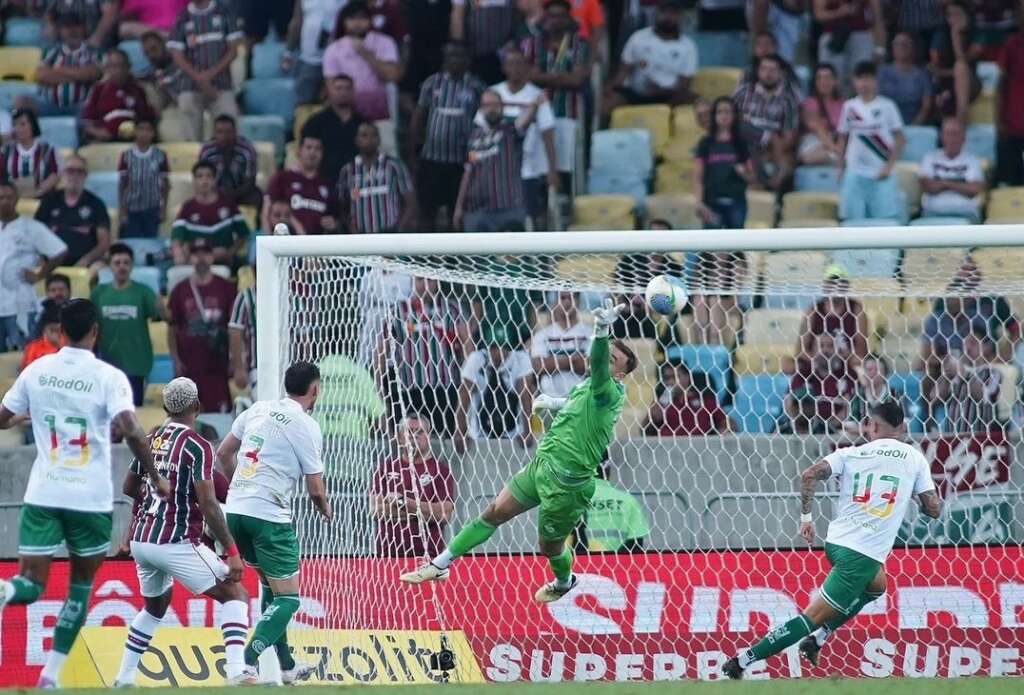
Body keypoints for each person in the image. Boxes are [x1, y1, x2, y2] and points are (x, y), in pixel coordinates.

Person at [400, 301, 637, 604]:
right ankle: (440, 564)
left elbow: (599, 363)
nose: (602, 359)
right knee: (493, 513)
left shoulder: (609, 391)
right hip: (543, 465)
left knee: (549, 548)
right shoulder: (588, 387)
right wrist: (551, 402)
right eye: (608, 353)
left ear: (620, 373)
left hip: (568, 484)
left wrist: (601, 331)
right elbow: (576, 403)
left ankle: (565, 580)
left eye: (613, 358)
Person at [0, 299, 168, 688]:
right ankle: (50, 676)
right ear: (96, 332)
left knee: (31, 584)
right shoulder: (109, 377)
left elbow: (3, 418)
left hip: (43, 493)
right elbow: (129, 426)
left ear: (59, 330)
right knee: (80, 586)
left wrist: (32, 414)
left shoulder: (36, 370)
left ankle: (7, 589)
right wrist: (155, 475)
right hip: (90, 498)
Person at [722, 400, 942, 679]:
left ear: (872, 425)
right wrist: (912, 493)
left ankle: (819, 639)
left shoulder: (850, 453)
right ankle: (742, 662)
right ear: (903, 427)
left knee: (877, 586)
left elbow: (809, 475)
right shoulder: (914, 458)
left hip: (838, 542)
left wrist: (806, 519)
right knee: (812, 616)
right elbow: (934, 509)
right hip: (861, 553)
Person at [113, 377, 251, 686]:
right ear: (197, 407)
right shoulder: (197, 445)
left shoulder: (150, 438)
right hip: (175, 540)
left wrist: (156, 504)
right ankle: (237, 672)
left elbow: (128, 487)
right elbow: (209, 504)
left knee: (155, 607)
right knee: (235, 594)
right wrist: (232, 552)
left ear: (164, 408)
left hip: (142, 540)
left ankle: (123, 679)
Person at [216, 361, 332, 684]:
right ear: (315, 390)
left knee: (270, 586)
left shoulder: (258, 409)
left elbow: (223, 454)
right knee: (290, 598)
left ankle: (287, 666)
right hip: (269, 517)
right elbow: (316, 488)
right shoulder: (307, 426)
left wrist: (238, 490)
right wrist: (326, 510)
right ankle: (246, 663)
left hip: (236, 512)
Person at [692, 97, 752, 345]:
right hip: (713, 203)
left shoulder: (740, 144)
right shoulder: (706, 144)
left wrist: (744, 172)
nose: (724, 116)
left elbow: (752, 175)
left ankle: (733, 292)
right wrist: (698, 202)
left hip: (736, 203)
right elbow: (698, 176)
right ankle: (715, 286)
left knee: (732, 250)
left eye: (728, 112)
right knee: (714, 252)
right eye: (720, 112)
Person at [383, 276, 473, 437]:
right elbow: (380, 351)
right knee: (411, 445)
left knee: (443, 443)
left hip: (444, 390)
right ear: (411, 281)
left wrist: (467, 379)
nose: (425, 285)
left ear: (438, 282)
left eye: (430, 280)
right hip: (410, 390)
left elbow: (468, 344)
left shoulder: (451, 309)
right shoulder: (398, 310)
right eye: (419, 280)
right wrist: (380, 391)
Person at [411, 42, 485, 232]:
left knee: (456, 216)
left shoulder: (476, 86)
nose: (455, 60)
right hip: (432, 161)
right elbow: (419, 117)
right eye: (451, 56)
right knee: (427, 214)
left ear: (467, 60)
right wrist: (415, 153)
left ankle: (454, 261)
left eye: (460, 56)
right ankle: (425, 259)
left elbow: (482, 122)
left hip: (460, 163)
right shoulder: (431, 83)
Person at [492, 46, 560, 230]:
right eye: (510, 64)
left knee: (529, 218)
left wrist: (552, 169)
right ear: (503, 67)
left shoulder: (538, 96)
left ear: (527, 67)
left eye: (519, 64)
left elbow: (548, 133)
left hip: (528, 167)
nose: (515, 68)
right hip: (497, 168)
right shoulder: (493, 94)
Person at [455, 89, 542, 232]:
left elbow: (524, 122)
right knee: (477, 254)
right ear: (481, 109)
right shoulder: (473, 137)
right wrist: (459, 207)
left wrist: (535, 105)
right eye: (487, 105)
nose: (491, 109)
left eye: (495, 105)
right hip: (477, 211)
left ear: (502, 107)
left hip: (508, 208)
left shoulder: (510, 131)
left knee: (513, 253)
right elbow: (468, 173)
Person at [92, 243, 168, 406]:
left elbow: (162, 317)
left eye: (126, 263)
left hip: (137, 363)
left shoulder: (144, 291)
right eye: (117, 263)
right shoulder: (99, 293)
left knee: (135, 410)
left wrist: (162, 308)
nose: (122, 267)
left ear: (132, 265)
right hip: (107, 363)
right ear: (110, 266)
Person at [369, 414, 455, 557]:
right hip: (388, 556)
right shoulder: (385, 469)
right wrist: (425, 512)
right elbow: (377, 510)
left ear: (428, 436)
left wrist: (401, 501)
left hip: (428, 556)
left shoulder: (441, 471)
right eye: (409, 431)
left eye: (420, 432)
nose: (414, 436)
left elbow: (444, 514)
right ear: (400, 437)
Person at [167, 238, 237, 413]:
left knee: (219, 414)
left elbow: (235, 327)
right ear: (190, 258)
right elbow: (172, 327)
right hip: (189, 364)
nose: (201, 258)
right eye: (196, 254)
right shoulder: (180, 290)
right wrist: (176, 359)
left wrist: (235, 358)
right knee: (188, 414)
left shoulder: (226, 288)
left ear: (212, 257)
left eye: (205, 254)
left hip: (217, 365)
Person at [0, 181, 67, 352]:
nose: (5, 201)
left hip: (20, 304)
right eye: (1, 198)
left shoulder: (31, 227)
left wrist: (40, 275)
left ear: (17, 199)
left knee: (22, 354)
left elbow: (60, 251)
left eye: (9, 197)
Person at [837, 61, 906, 222]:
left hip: (881, 172)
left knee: (884, 221)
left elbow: (900, 139)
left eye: (868, 79)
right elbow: (843, 139)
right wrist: (841, 167)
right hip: (855, 171)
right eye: (860, 79)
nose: (864, 83)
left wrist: (889, 167)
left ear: (876, 81)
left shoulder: (887, 106)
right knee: (852, 219)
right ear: (855, 82)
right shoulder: (849, 107)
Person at [603, 0, 698, 115]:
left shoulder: (688, 46)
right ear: (656, 14)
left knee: (694, 101)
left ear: (680, 17)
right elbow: (623, 71)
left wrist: (662, 90)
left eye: (673, 13)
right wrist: (610, 88)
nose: (668, 17)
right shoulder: (638, 37)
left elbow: (684, 84)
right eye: (664, 12)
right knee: (608, 102)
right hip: (636, 93)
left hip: (669, 95)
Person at [168, 0, 243, 142]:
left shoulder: (224, 12)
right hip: (190, 85)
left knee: (230, 122)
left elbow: (233, 50)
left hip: (221, 84)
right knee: (186, 106)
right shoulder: (182, 17)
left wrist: (210, 74)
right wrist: (200, 78)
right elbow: (177, 56)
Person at [458, 323, 536, 446]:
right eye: (493, 347)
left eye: (502, 347)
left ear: (508, 347)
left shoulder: (521, 359)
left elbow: (525, 392)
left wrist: (527, 431)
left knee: (527, 390)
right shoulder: (477, 358)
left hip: (513, 431)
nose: (497, 352)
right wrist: (460, 432)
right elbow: (464, 391)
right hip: (480, 432)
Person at [321, 1, 400, 121]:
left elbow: (392, 75)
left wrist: (366, 54)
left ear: (370, 20)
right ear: (344, 22)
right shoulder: (333, 50)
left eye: (362, 18)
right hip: (346, 115)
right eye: (352, 19)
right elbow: (332, 87)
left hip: (380, 112)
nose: (357, 23)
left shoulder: (385, 43)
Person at [732, 54, 799, 191]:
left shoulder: (788, 100)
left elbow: (789, 137)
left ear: (781, 73)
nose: (767, 74)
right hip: (742, 142)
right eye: (764, 69)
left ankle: (768, 191)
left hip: (773, 149)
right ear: (758, 72)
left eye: (773, 70)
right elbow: (729, 122)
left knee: (785, 162)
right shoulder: (742, 92)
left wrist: (768, 150)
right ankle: (763, 183)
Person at [34, 154, 111, 270]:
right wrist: (41, 259)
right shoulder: (49, 201)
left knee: (99, 268)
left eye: (80, 171)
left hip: (85, 263)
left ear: (86, 176)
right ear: (62, 174)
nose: (75, 175)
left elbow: (104, 243)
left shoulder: (96, 204)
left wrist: (86, 260)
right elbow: (34, 235)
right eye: (70, 171)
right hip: (50, 262)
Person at [337, 122, 417, 233]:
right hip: (360, 236)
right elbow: (342, 206)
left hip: (389, 233)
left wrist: (399, 229)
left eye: (374, 135)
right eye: (364, 135)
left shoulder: (394, 166)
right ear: (356, 140)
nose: (369, 139)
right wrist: (352, 230)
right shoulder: (347, 170)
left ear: (379, 139)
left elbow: (410, 202)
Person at [521, 0, 592, 119]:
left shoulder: (579, 45)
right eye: (552, 16)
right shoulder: (532, 44)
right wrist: (563, 77)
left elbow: (577, 80)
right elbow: (529, 77)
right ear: (545, 17)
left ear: (568, 18)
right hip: (536, 114)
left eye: (561, 16)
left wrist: (543, 78)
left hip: (569, 113)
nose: (556, 20)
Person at [170, 161, 250, 265]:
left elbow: (243, 235)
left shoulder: (228, 204)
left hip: (223, 263)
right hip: (195, 264)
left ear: (214, 180)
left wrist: (230, 253)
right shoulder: (187, 207)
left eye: (208, 176)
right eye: (200, 176)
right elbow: (176, 239)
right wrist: (179, 254)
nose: (204, 180)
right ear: (194, 180)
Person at [783, 332, 856, 434]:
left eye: (830, 346)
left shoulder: (848, 373)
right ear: (813, 350)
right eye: (821, 346)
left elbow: (850, 406)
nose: (825, 350)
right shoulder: (803, 373)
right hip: (805, 431)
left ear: (838, 350)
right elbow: (789, 404)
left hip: (837, 432)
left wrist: (827, 429)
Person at [32, 12, 103, 117]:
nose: (72, 30)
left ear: (83, 28)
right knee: (22, 102)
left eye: (76, 26)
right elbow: (42, 75)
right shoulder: (50, 52)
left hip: (81, 106)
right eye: (67, 27)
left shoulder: (94, 52)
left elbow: (93, 74)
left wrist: (56, 71)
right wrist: (79, 75)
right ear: (60, 31)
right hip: (51, 105)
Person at [265, 135, 338, 236]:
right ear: (299, 151)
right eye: (308, 147)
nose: (312, 152)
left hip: (318, 245)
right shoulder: (282, 178)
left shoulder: (328, 184)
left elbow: (334, 217)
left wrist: (333, 225)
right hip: (287, 243)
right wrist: (269, 242)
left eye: (317, 148)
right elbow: (267, 212)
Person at [797, 265, 869, 367]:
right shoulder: (813, 311)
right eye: (832, 283)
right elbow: (800, 351)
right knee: (787, 364)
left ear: (847, 286)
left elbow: (861, 350)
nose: (836, 286)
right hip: (817, 363)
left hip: (847, 363)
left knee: (860, 362)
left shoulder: (856, 309)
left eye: (841, 282)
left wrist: (840, 358)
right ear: (824, 286)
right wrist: (820, 362)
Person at [935, 328, 1003, 433]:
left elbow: (984, 397)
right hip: (951, 439)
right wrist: (946, 378)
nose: (968, 347)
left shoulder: (993, 373)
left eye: (973, 343)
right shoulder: (954, 372)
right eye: (965, 343)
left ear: (986, 347)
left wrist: (964, 373)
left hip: (978, 439)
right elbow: (934, 399)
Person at [79, 49, 156, 143]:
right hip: (105, 140)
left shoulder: (138, 90)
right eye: (113, 66)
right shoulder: (98, 90)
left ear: (129, 67)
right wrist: (100, 133)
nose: (118, 70)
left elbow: (147, 119)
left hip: (134, 141)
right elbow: (87, 124)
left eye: (121, 66)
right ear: (107, 68)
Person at [301, 74, 365, 184]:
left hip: (357, 181)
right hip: (323, 180)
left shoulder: (363, 124)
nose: (343, 92)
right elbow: (306, 152)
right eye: (338, 88)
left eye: (347, 88)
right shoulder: (315, 122)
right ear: (329, 92)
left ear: (354, 92)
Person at [919, 116, 986, 221]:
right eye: (948, 134)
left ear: (964, 137)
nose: (952, 138)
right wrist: (961, 186)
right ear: (941, 136)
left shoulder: (973, 160)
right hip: (933, 215)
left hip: (966, 215)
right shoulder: (929, 158)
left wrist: (944, 184)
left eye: (956, 134)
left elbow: (974, 189)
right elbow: (929, 187)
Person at [282, 0, 347, 105]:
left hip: (338, 60)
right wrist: (288, 52)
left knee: (336, 101)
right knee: (304, 102)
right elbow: (297, 22)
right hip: (309, 59)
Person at [644, 362, 733, 436]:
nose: (670, 382)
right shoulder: (660, 402)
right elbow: (645, 429)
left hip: (698, 449)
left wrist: (723, 431)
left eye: (675, 377)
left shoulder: (705, 400)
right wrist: (662, 402)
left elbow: (729, 424)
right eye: (667, 378)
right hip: (666, 448)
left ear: (687, 377)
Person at [812, 0, 885, 88]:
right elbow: (819, 14)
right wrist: (840, 12)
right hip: (834, 36)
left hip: (861, 35)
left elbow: (877, 18)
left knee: (861, 74)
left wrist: (880, 48)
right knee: (831, 77)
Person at [930, 0, 982, 123]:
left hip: (971, 82)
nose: (953, 18)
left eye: (957, 14)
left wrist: (955, 36)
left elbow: (962, 63)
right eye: (950, 15)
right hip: (947, 82)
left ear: (967, 15)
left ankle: (960, 120)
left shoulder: (976, 34)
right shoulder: (940, 34)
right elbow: (935, 69)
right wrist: (949, 73)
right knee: (941, 94)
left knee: (960, 68)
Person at [531, 291, 591, 398]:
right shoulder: (542, 334)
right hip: (549, 399)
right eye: (562, 298)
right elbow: (539, 367)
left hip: (581, 399)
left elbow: (590, 366)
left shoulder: (590, 333)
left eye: (571, 298)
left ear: (578, 301)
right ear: (555, 302)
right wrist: (574, 360)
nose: (567, 302)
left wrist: (553, 362)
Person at [118, 117, 170, 238]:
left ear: (153, 133)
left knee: (151, 240)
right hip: (132, 208)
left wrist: (163, 209)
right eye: (141, 129)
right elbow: (122, 184)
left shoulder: (160, 155)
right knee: (132, 240)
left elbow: (165, 184)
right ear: (135, 131)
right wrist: (122, 209)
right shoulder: (126, 156)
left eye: (148, 130)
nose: (144, 133)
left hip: (152, 208)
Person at [580, 467, 650, 552]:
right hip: (619, 563)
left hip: (581, 562)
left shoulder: (574, 501)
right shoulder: (628, 500)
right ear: (608, 471)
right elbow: (636, 543)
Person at [198, 115, 261, 208]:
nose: (224, 136)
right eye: (220, 132)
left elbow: (250, 181)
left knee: (257, 197)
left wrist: (231, 196)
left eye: (228, 132)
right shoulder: (207, 151)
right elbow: (203, 178)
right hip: (214, 192)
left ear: (235, 132)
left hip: (241, 193)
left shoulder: (247, 150)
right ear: (214, 133)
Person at [450, 0, 517, 85]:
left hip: (504, 53)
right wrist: (458, 47)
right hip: (475, 53)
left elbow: (517, 12)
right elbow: (457, 16)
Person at [0, 109, 62, 200]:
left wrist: (38, 191)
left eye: (22, 124)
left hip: (43, 200)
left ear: (33, 125)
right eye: (15, 125)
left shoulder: (48, 150)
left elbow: (55, 174)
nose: (17, 128)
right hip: (12, 200)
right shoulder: (5, 152)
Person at [878, 33, 933, 127]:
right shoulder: (883, 72)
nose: (902, 47)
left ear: (913, 48)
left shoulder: (922, 74)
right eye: (898, 44)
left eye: (906, 44)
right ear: (892, 48)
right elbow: (876, 100)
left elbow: (926, 106)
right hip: (886, 125)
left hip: (915, 125)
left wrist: (913, 127)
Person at [996, 1, 1024, 186]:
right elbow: (1000, 85)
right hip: (1013, 122)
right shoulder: (1012, 44)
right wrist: (999, 120)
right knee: (1012, 184)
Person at [798, 63, 844, 166]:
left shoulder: (843, 104)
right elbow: (817, 128)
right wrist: (834, 148)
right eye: (820, 78)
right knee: (809, 157)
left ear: (835, 81)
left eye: (828, 78)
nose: (824, 82)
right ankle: (838, 157)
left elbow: (844, 130)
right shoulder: (810, 103)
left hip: (837, 141)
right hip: (815, 141)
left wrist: (839, 146)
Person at [40, 0, 120, 49]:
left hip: (95, 43)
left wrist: (96, 39)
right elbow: (48, 14)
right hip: (63, 42)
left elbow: (110, 14)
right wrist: (49, 26)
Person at [137, 31, 184, 112]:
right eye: (147, 53)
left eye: (154, 49)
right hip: (171, 111)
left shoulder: (182, 64)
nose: (151, 55)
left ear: (163, 45)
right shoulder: (150, 77)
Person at [228, 277, 256, 394]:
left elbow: (302, 333)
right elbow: (235, 332)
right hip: (257, 369)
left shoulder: (288, 293)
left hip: (287, 366)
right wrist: (239, 368)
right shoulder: (246, 297)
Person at [20, 305, 65, 371]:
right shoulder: (34, 348)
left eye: (61, 331)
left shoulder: (70, 348)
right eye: (53, 330)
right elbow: (26, 372)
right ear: (44, 330)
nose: (57, 334)